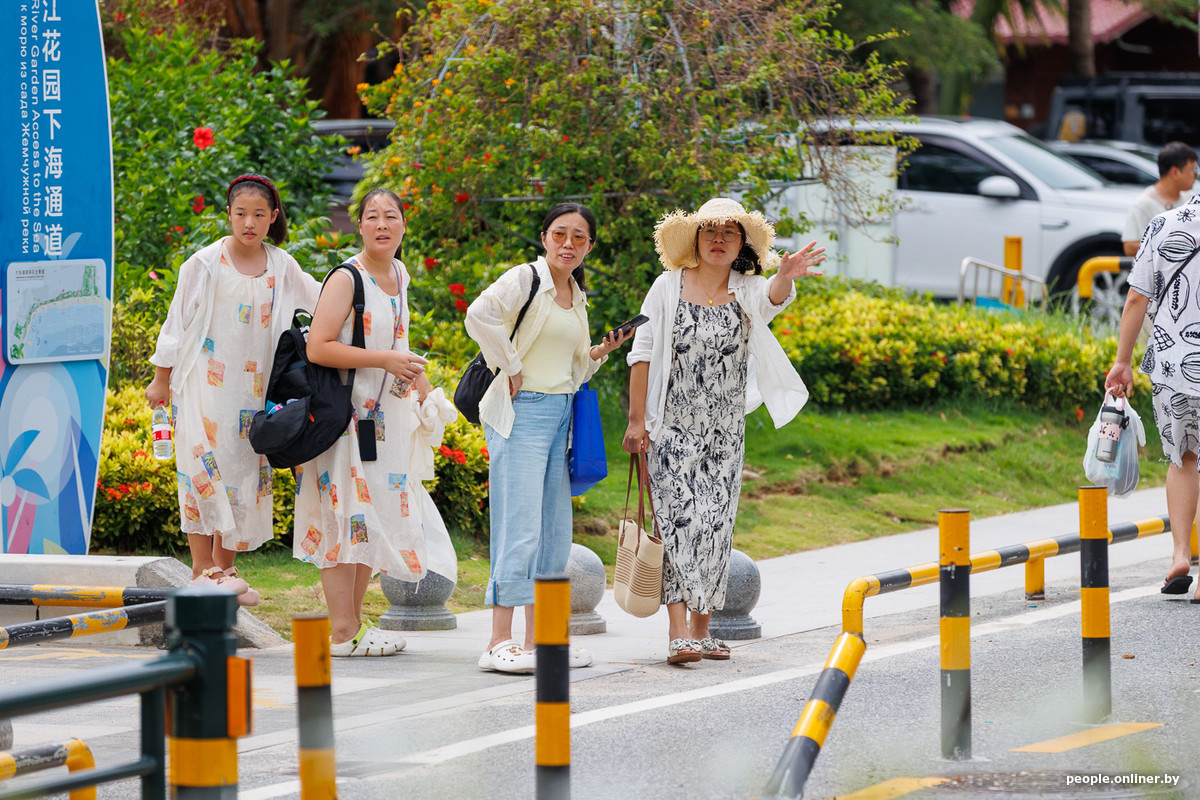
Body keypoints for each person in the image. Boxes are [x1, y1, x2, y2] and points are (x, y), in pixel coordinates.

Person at [623, 197, 825, 664]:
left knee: (715, 525)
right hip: (670, 427)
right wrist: (636, 420)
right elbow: (642, 353)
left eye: (729, 233)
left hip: (725, 434)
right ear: (695, 240)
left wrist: (784, 275)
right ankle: (677, 632)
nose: (718, 240)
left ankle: (702, 629)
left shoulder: (747, 289)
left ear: (741, 244)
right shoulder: (667, 286)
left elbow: (773, 299)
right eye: (710, 232)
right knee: (678, 522)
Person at [465, 203, 633, 673]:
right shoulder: (526, 278)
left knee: (554, 533)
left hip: (561, 415)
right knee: (518, 527)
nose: (568, 244)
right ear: (544, 238)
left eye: (579, 237)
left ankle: (544, 641)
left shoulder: (575, 296)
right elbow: (479, 315)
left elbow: (571, 368)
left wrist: (599, 352)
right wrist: (510, 365)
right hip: (523, 412)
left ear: (589, 246)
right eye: (560, 234)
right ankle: (498, 642)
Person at [294, 187, 458, 657]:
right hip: (344, 421)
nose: (382, 224)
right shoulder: (347, 278)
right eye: (372, 216)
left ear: (403, 225)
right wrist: (385, 360)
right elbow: (318, 347)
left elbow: (399, 343)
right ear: (360, 226)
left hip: (385, 426)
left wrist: (425, 390)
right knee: (342, 518)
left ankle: (354, 624)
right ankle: (342, 631)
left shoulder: (399, 274)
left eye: (391, 216)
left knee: (374, 519)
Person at [147, 174, 321, 605]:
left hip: (255, 394)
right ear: (228, 214)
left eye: (259, 214)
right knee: (202, 473)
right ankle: (200, 569)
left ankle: (224, 570)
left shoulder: (282, 265)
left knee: (242, 476)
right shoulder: (204, 264)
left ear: (273, 217)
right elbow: (176, 323)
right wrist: (161, 379)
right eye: (241, 213)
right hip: (202, 388)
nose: (249, 223)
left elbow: (322, 301)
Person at [1106, 192, 1200, 603]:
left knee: (1183, 459)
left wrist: (1122, 361)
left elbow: (1136, 298)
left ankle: (1180, 554)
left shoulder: (1163, 224)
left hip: (1172, 364)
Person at [1121, 142, 1197, 257]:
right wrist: (1173, 245)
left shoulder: (1190, 198)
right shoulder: (1143, 203)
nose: (1196, 176)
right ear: (1175, 172)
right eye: (1192, 170)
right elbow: (1129, 247)